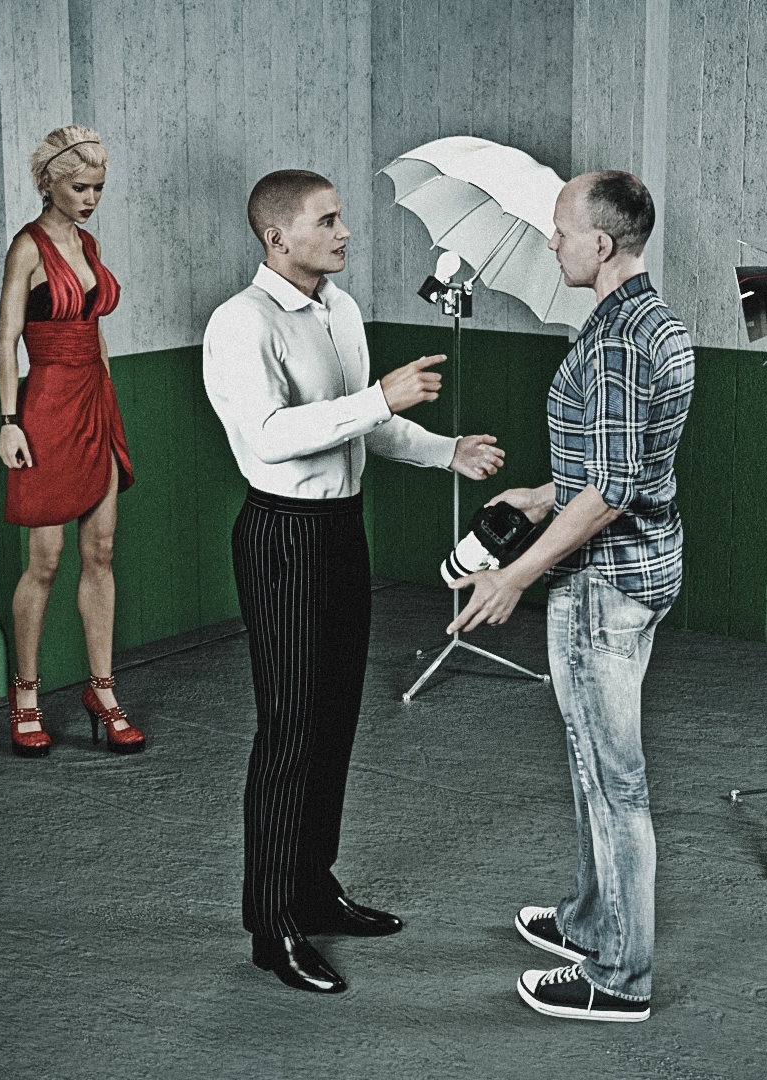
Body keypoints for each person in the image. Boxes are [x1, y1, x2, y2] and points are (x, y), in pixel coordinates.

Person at [203, 169, 504, 994]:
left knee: (334, 719)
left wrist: (446, 451)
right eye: (327, 220)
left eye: (341, 219)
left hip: (341, 532)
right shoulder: (241, 322)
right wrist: (378, 397)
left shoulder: (341, 310)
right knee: (289, 729)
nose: (344, 233)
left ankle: (312, 888)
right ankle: (272, 926)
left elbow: (366, 428)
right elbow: (269, 436)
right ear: (277, 238)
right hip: (282, 536)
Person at [448, 171, 694, 1022]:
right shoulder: (653, 320)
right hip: (645, 569)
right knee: (595, 763)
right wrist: (540, 495)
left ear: (602, 241)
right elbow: (621, 465)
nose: (550, 241)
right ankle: (593, 918)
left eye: (560, 229)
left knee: (612, 781)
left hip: (604, 584)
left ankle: (619, 976)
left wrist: (514, 575)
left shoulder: (618, 342)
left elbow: (614, 491)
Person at [0, 125, 145, 758]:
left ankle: (102, 691)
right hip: (46, 406)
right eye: (80, 186)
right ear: (49, 183)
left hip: (94, 400)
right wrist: (9, 421)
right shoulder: (27, 246)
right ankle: (26, 695)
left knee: (101, 550)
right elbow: (6, 339)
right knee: (46, 560)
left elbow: (93, 328)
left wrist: (108, 400)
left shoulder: (89, 243)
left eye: (98, 188)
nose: (90, 198)